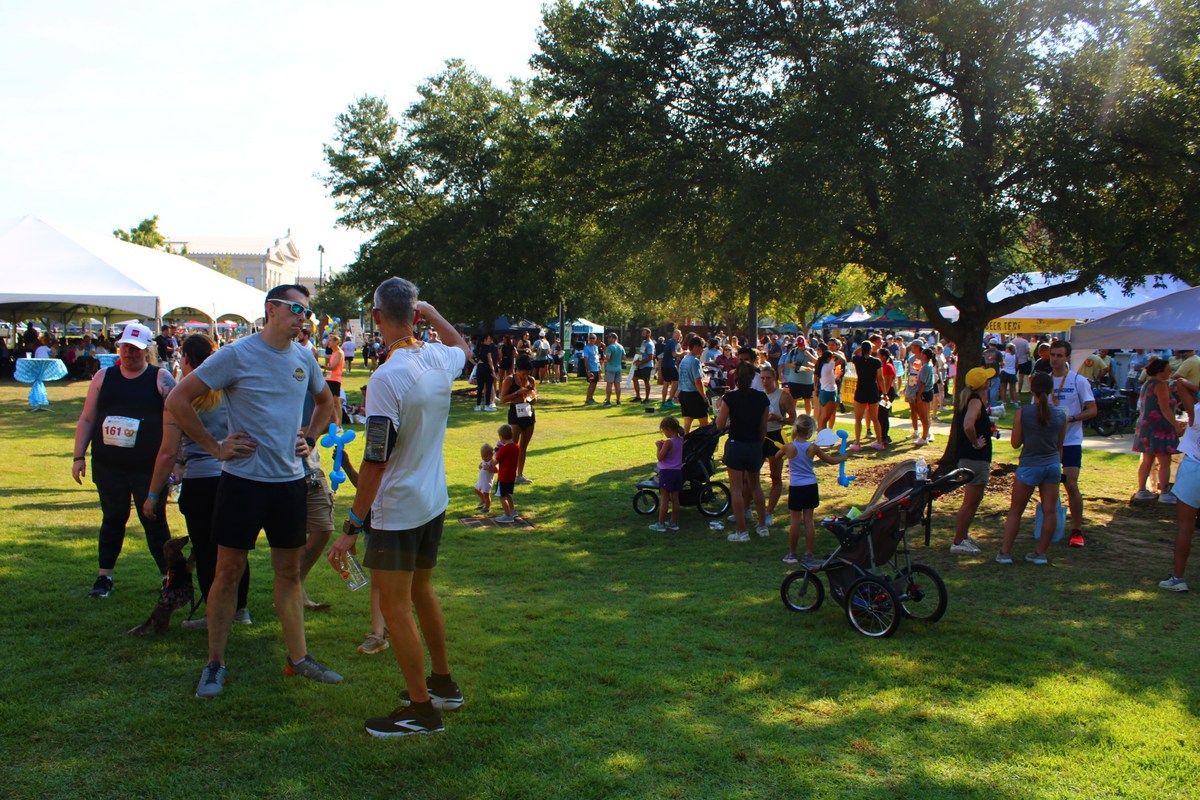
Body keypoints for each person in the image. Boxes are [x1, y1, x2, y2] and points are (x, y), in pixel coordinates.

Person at [168, 284, 338, 698]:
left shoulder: (304, 357)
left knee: (289, 572)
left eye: (308, 312)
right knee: (228, 571)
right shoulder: (236, 354)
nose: (304, 318)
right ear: (271, 310)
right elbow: (178, 399)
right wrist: (215, 447)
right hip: (243, 483)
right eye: (297, 309)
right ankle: (214, 664)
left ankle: (299, 659)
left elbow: (325, 403)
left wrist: (310, 438)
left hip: (288, 484)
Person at [326, 279, 470, 736]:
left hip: (399, 509)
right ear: (414, 315)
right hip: (431, 500)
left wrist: (351, 524)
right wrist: (430, 311)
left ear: (376, 317)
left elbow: (376, 457)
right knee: (420, 593)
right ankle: (442, 684)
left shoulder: (388, 376)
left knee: (395, 609)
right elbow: (461, 346)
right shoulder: (436, 358)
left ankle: (423, 710)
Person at [143, 334, 251, 628]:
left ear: (187, 359)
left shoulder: (182, 399)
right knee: (235, 547)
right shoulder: (233, 393)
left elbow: (167, 453)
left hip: (202, 481)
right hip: (237, 478)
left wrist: (153, 495)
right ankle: (240, 610)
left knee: (205, 550)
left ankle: (214, 614)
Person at [72, 322, 176, 597]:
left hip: (148, 468)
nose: (129, 353)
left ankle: (170, 578)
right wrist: (78, 456)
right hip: (109, 465)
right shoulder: (103, 377)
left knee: (153, 520)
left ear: (147, 351)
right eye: (125, 347)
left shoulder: (160, 378)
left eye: (135, 349)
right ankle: (104, 577)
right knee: (113, 518)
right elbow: (87, 418)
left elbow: (179, 420)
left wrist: (178, 461)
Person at [996, 372, 1068, 565]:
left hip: (1029, 465)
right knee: (1050, 510)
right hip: (1052, 465)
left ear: (1032, 389)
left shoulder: (1024, 413)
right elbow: (1060, 444)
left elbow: (1015, 443)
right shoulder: (1061, 414)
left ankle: (1005, 552)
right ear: (1051, 389)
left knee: (1016, 511)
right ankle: (1041, 553)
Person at [1048, 339, 1097, 547]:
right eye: (1052, 355)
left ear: (1068, 358)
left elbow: (1093, 410)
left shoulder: (1078, 381)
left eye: (1060, 355)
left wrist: (1073, 418)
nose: (1055, 359)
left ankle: (1077, 530)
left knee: (1070, 483)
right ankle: (1050, 526)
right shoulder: (1044, 381)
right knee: (1048, 485)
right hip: (1049, 441)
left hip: (1071, 441)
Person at [781, 414, 847, 566]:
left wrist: (783, 454)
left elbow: (778, 456)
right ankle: (808, 553)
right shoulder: (813, 447)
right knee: (809, 520)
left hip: (796, 487)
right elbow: (830, 461)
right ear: (810, 431)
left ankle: (792, 553)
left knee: (795, 521)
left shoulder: (789, 447)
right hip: (810, 486)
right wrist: (842, 458)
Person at [715, 362, 770, 542]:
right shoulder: (762, 398)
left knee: (737, 489)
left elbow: (720, 425)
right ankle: (762, 526)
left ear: (736, 378)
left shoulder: (730, 398)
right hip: (754, 444)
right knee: (756, 486)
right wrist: (759, 444)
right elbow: (763, 427)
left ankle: (742, 531)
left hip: (736, 443)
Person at [948, 367, 996, 554]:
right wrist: (976, 442)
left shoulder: (969, 399)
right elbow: (968, 425)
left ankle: (964, 535)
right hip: (974, 458)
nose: (990, 381)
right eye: (987, 379)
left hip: (971, 457)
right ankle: (958, 541)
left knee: (974, 500)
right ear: (983, 384)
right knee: (971, 501)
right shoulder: (975, 401)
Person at [1159, 414, 1200, 591]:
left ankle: (1178, 578)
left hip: (1194, 466)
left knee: (1185, 526)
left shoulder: (1196, 409)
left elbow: (1182, 386)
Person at [1132, 358, 1180, 501]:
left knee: (1147, 459)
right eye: (1168, 368)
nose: (1170, 370)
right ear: (1161, 370)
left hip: (1146, 426)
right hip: (1159, 427)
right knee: (1165, 460)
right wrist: (1176, 425)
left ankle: (1141, 490)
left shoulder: (1148, 383)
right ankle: (1165, 493)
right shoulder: (1160, 385)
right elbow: (1165, 408)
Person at [499, 355, 538, 485]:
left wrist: (532, 396)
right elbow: (503, 399)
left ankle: (519, 475)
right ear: (518, 369)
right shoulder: (510, 379)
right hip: (515, 413)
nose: (525, 375)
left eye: (527, 373)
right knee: (512, 446)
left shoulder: (531, 380)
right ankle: (508, 474)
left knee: (523, 447)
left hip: (528, 412)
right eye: (523, 372)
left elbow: (535, 399)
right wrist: (517, 393)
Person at [648, 416, 684, 532]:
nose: (664, 433)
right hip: (677, 472)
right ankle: (673, 522)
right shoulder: (680, 440)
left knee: (664, 498)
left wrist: (659, 447)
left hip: (666, 472)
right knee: (675, 498)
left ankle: (661, 523)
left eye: (663, 430)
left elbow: (660, 457)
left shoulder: (668, 443)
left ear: (668, 429)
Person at [849, 341, 886, 451]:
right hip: (872, 390)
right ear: (870, 350)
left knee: (858, 419)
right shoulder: (876, 361)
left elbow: (854, 354)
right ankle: (879, 441)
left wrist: (860, 347)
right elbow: (880, 378)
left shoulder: (857, 360)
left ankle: (857, 442)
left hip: (861, 389)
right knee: (875, 418)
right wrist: (884, 393)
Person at [677, 335, 709, 433]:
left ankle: (686, 443)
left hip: (684, 394)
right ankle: (704, 444)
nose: (703, 350)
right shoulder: (695, 361)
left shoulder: (684, 360)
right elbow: (697, 381)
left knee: (687, 423)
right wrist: (704, 396)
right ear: (696, 346)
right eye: (702, 347)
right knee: (704, 423)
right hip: (694, 395)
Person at [493, 424, 520, 523]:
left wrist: (496, 451)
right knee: (508, 494)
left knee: (502, 496)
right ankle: (512, 511)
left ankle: (507, 515)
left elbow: (495, 462)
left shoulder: (503, 449)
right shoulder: (516, 446)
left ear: (501, 437)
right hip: (511, 476)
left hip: (503, 477)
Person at [474, 332, 498, 412]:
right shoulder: (487, 347)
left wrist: (476, 362)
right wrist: (493, 371)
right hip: (487, 368)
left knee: (480, 387)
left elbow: (471, 356)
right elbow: (490, 360)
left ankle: (478, 405)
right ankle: (487, 405)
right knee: (488, 387)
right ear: (485, 339)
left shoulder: (478, 347)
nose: (490, 340)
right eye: (488, 338)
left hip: (480, 367)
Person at [632, 328, 655, 403]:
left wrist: (640, 362)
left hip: (647, 365)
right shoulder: (643, 342)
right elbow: (642, 354)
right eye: (642, 333)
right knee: (634, 378)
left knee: (646, 381)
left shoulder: (650, 344)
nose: (642, 334)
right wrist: (638, 360)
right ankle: (638, 397)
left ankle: (647, 398)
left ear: (648, 334)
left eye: (644, 333)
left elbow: (650, 357)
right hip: (640, 364)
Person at [602, 332, 625, 406]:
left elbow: (608, 358)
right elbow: (624, 357)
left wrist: (604, 359)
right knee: (617, 385)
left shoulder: (610, 347)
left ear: (614, 338)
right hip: (618, 368)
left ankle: (608, 401)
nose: (608, 339)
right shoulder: (621, 347)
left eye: (610, 337)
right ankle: (618, 401)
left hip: (611, 368)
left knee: (609, 384)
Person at [473, 443, 496, 513]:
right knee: (476, 490)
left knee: (487, 495)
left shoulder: (492, 462)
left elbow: (496, 470)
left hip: (487, 482)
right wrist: (480, 466)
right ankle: (483, 501)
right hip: (481, 480)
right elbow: (481, 466)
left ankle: (487, 507)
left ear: (491, 454)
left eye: (486, 456)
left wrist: (489, 468)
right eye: (482, 456)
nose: (484, 458)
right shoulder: (483, 460)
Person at [582, 334, 601, 405]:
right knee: (591, 384)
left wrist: (599, 367)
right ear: (588, 339)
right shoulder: (587, 348)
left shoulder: (596, 347)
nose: (592, 339)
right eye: (590, 338)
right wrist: (588, 370)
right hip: (591, 369)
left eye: (593, 338)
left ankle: (591, 397)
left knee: (595, 384)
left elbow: (597, 358)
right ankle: (588, 399)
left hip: (596, 368)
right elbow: (586, 360)